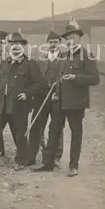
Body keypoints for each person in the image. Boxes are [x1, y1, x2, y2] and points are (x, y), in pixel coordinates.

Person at [34, 19, 100, 177]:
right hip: (60, 101)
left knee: (76, 133)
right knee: (54, 130)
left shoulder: (87, 55)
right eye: (67, 39)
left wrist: (76, 77)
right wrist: (57, 91)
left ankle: (73, 165)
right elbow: (59, 76)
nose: (70, 41)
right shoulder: (63, 55)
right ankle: (48, 163)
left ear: (79, 38)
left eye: (72, 38)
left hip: (76, 103)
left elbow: (95, 79)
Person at [0, 32, 44, 170]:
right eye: (12, 45)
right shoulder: (4, 63)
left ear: (23, 47)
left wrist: (26, 93)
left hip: (19, 105)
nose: (15, 47)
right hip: (2, 104)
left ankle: (21, 161)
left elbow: (39, 84)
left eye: (18, 45)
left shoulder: (30, 64)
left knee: (20, 133)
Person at [27, 30, 64, 166]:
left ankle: (56, 156)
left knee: (56, 126)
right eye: (51, 42)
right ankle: (32, 155)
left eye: (56, 42)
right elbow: (36, 78)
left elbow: (65, 78)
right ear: (47, 43)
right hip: (42, 97)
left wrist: (58, 93)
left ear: (60, 43)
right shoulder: (41, 59)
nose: (53, 44)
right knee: (37, 125)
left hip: (57, 97)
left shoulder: (64, 59)